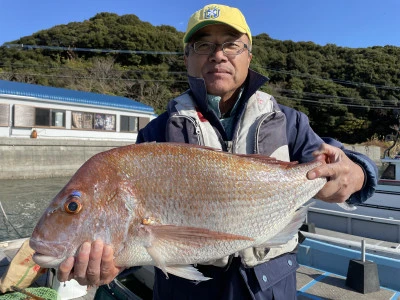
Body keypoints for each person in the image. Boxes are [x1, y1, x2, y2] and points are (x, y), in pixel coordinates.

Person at [57, 4, 378, 299]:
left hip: (270, 286)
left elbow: (335, 162)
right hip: (186, 290)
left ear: (248, 55)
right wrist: (113, 264)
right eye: (203, 45)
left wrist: (358, 173)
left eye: (231, 44)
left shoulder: (290, 122)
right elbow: (140, 238)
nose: (218, 55)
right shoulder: (156, 133)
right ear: (187, 56)